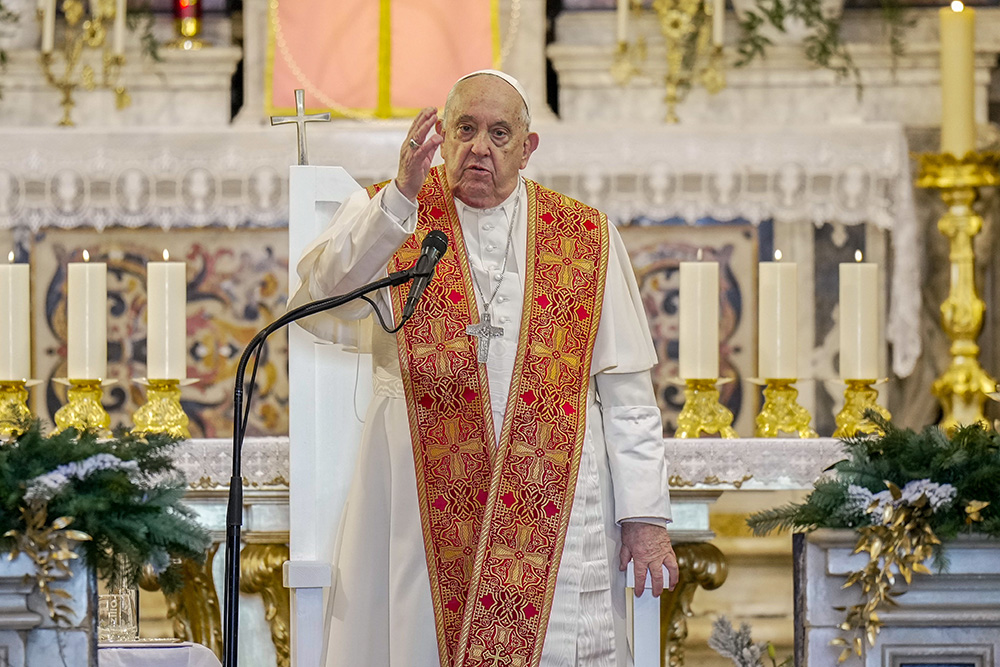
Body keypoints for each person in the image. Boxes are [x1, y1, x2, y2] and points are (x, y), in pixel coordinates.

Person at [290, 70, 677, 667]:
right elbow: (323, 295)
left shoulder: (583, 236)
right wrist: (400, 195)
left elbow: (627, 393)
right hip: (421, 496)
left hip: (549, 507)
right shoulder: (392, 211)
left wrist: (645, 518)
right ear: (440, 135)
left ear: (528, 147)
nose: (480, 148)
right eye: (466, 128)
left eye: (500, 133)